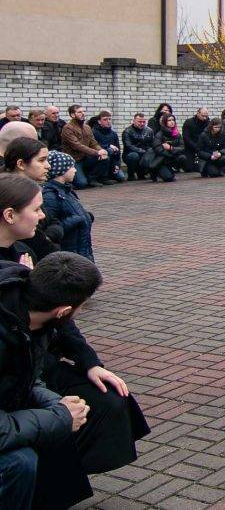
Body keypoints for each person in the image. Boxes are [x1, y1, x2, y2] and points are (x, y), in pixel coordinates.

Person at [0, 187, 149, 508]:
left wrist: (89, 363)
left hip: (31, 366)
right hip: (21, 371)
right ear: (9, 215)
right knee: (24, 456)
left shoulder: (26, 254)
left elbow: (51, 314)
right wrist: (57, 415)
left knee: (106, 400)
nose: (42, 215)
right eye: (36, 209)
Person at [3, 138, 62, 259]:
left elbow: (53, 220)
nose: (48, 166)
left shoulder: (33, 191)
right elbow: (44, 247)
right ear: (21, 164)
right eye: (41, 160)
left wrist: (50, 234)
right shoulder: (16, 196)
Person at [41, 152, 94, 261]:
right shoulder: (51, 196)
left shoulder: (66, 191)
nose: (75, 170)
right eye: (71, 167)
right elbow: (49, 228)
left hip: (82, 250)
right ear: (61, 170)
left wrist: (87, 216)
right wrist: (74, 221)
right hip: (69, 254)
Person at [61, 105, 111, 189]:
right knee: (82, 184)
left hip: (85, 158)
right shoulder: (67, 128)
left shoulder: (87, 128)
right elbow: (76, 145)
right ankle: (75, 179)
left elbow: (93, 143)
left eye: (83, 111)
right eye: (79, 112)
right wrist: (97, 152)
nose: (83, 114)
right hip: (74, 160)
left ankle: (92, 179)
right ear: (72, 115)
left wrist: (101, 150)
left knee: (105, 157)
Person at [89, 111, 126, 183]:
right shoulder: (93, 132)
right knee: (109, 151)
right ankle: (101, 178)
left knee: (121, 177)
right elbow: (94, 146)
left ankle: (109, 173)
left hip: (112, 161)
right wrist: (108, 146)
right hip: (96, 158)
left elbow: (118, 151)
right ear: (99, 121)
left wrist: (117, 164)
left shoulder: (113, 134)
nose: (108, 121)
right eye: (105, 119)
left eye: (109, 119)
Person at [150, 114, 188, 182]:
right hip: (162, 161)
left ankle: (172, 170)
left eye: (173, 120)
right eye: (169, 120)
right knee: (169, 178)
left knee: (182, 158)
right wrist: (171, 154)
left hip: (172, 158)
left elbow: (182, 147)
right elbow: (158, 149)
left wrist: (171, 148)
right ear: (165, 122)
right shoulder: (160, 134)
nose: (172, 122)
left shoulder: (177, 134)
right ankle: (155, 171)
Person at [121, 113, 154, 181]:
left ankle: (144, 173)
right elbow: (128, 146)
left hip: (145, 153)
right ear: (134, 121)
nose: (142, 124)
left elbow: (152, 144)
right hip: (130, 154)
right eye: (139, 121)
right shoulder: (127, 131)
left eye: (143, 122)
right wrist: (141, 151)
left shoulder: (149, 131)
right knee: (134, 156)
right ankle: (131, 175)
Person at [181, 107, 210, 172]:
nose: (205, 118)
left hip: (203, 148)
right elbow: (186, 138)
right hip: (190, 147)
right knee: (188, 168)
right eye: (203, 116)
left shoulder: (208, 123)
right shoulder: (189, 122)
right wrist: (196, 147)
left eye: (206, 116)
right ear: (198, 113)